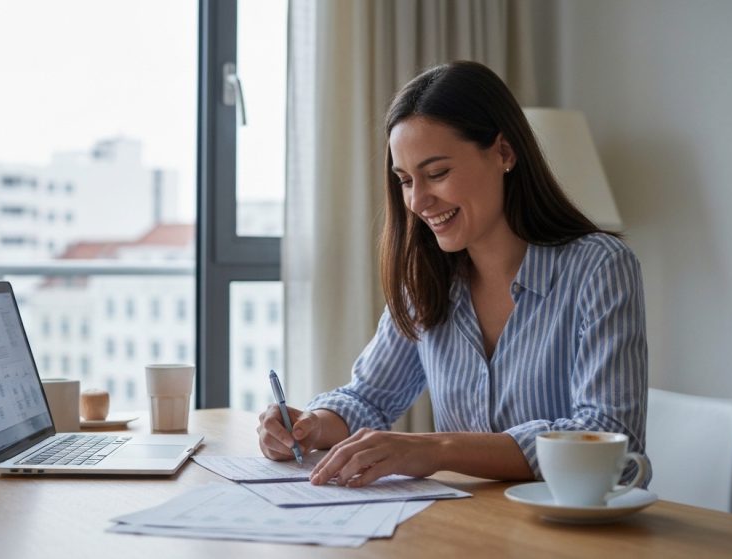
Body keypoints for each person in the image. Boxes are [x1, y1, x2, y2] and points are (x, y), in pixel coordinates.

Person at [257, 60, 648, 488]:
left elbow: (609, 437)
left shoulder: (600, 267)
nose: (417, 202)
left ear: (504, 152)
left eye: (437, 173)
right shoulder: (427, 280)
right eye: (406, 181)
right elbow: (368, 398)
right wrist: (311, 425)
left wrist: (436, 449)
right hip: (470, 520)